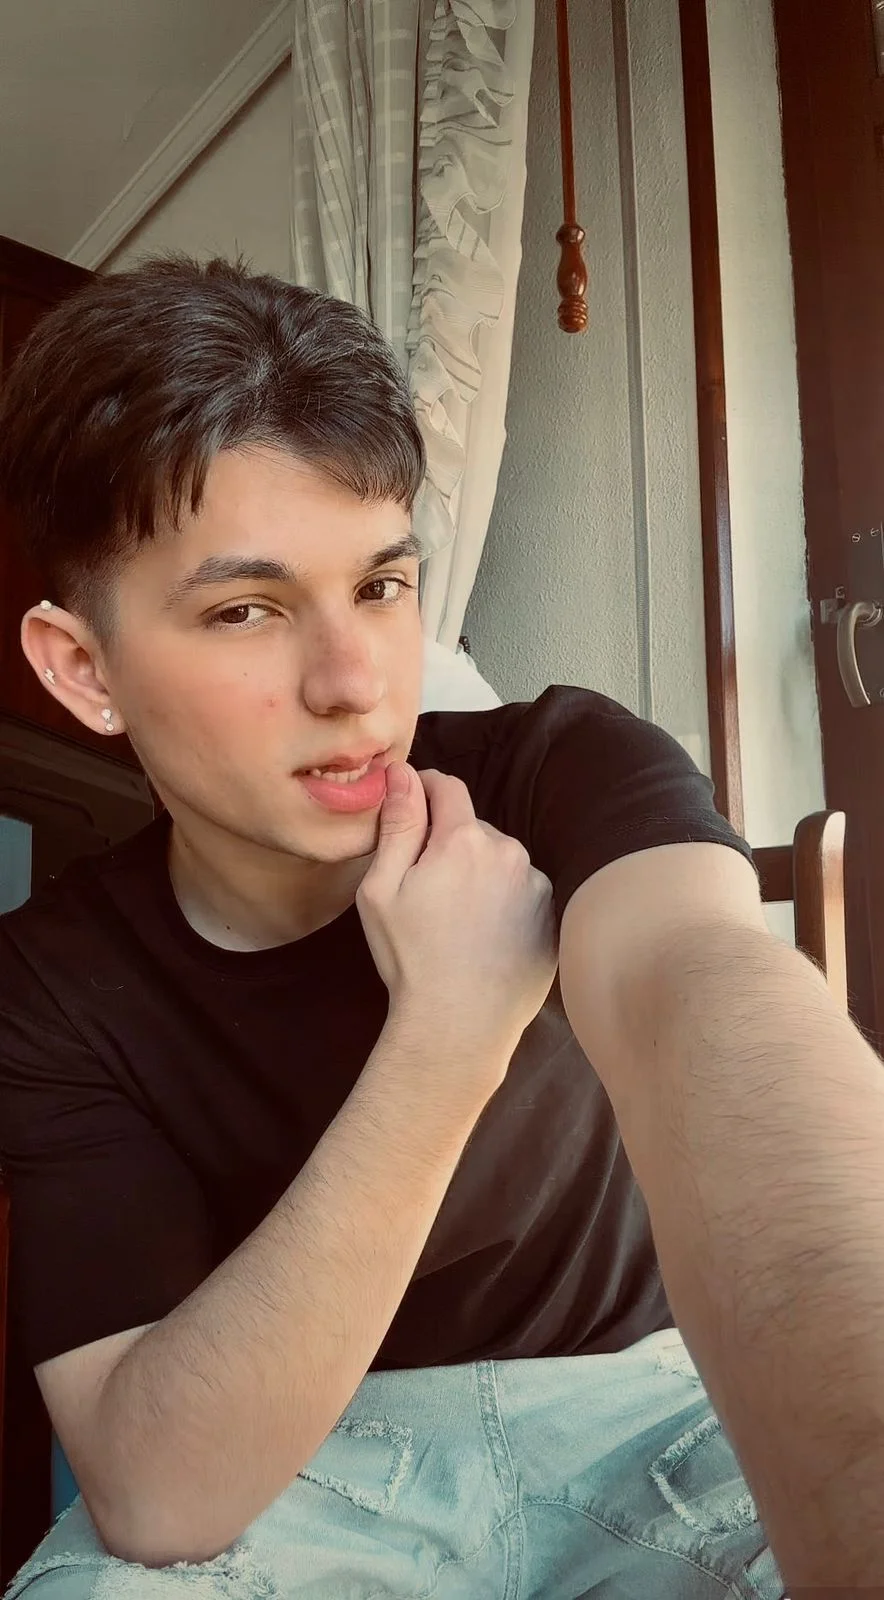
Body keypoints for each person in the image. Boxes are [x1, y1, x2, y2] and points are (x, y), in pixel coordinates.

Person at [0, 258, 882, 1600]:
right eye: (246, 610)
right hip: (308, 1470)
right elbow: (159, 1492)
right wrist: (449, 1037)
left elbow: (704, 988)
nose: (356, 683)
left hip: (653, 1407)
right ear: (84, 668)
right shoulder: (51, 983)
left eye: (382, 585)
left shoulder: (561, 767)